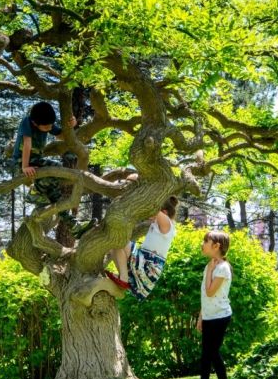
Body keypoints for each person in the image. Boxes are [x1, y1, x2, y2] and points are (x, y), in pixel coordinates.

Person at [12, 101, 93, 237]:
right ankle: (35, 192)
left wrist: (71, 126)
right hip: (21, 163)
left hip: (37, 162)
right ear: (35, 122)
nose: (49, 128)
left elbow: (61, 135)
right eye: (47, 126)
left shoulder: (46, 124)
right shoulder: (26, 122)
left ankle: (75, 228)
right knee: (54, 171)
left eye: (51, 125)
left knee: (55, 191)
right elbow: (27, 143)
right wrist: (25, 166)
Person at [105, 196, 179, 300]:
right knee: (113, 246)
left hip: (148, 266)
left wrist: (137, 180)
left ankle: (124, 279)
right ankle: (123, 277)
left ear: (164, 213)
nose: (149, 215)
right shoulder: (157, 225)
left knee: (119, 239)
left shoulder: (167, 224)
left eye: (153, 213)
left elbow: (151, 203)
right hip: (144, 261)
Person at [196, 230, 232, 379]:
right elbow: (205, 296)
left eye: (205, 241)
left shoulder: (222, 268)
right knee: (206, 352)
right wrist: (201, 316)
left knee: (213, 352)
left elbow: (210, 291)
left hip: (220, 316)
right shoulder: (209, 265)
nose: (202, 244)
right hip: (209, 315)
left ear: (216, 246)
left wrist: (210, 271)